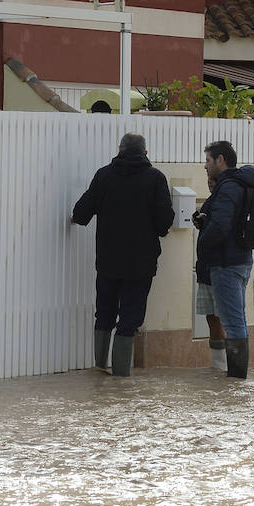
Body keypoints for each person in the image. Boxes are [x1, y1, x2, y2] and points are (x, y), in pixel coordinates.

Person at [71, 132, 174, 377]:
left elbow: (81, 213)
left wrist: (77, 218)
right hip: (141, 264)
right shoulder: (155, 179)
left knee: (104, 313)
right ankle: (120, 377)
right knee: (130, 317)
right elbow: (164, 223)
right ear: (146, 153)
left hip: (108, 261)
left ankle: (99, 369)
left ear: (120, 149)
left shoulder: (104, 175)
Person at [195, 140, 254, 379]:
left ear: (220, 160)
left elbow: (221, 226)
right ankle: (234, 380)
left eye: (208, 160)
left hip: (226, 263)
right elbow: (229, 223)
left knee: (233, 322)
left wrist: (203, 244)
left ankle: (236, 379)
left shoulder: (228, 187)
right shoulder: (239, 185)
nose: (205, 166)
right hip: (241, 259)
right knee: (236, 318)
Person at [193, 163, 227, 372]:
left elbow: (223, 230)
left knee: (226, 318)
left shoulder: (228, 201)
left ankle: (229, 367)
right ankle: (219, 367)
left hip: (223, 269)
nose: (209, 183)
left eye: (213, 180)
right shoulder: (210, 202)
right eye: (208, 180)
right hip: (206, 270)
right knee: (211, 317)